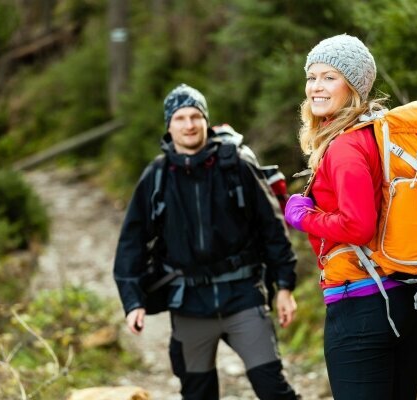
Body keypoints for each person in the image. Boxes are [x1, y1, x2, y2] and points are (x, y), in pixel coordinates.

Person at [114, 83, 300, 400]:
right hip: (188, 305)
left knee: (273, 390)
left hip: (243, 297)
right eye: (180, 118)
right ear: (169, 125)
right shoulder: (157, 176)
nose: (189, 125)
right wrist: (133, 301)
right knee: (197, 395)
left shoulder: (236, 165)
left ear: (206, 121)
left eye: (195, 116)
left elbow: (272, 227)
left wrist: (283, 286)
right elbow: (131, 242)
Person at [284, 34, 417, 400]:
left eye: (329, 77)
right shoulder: (379, 135)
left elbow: (358, 225)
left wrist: (304, 218)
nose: (316, 87)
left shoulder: (346, 146)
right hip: (409, 300)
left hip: (364, 308)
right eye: (312, 76)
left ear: (353, 86)